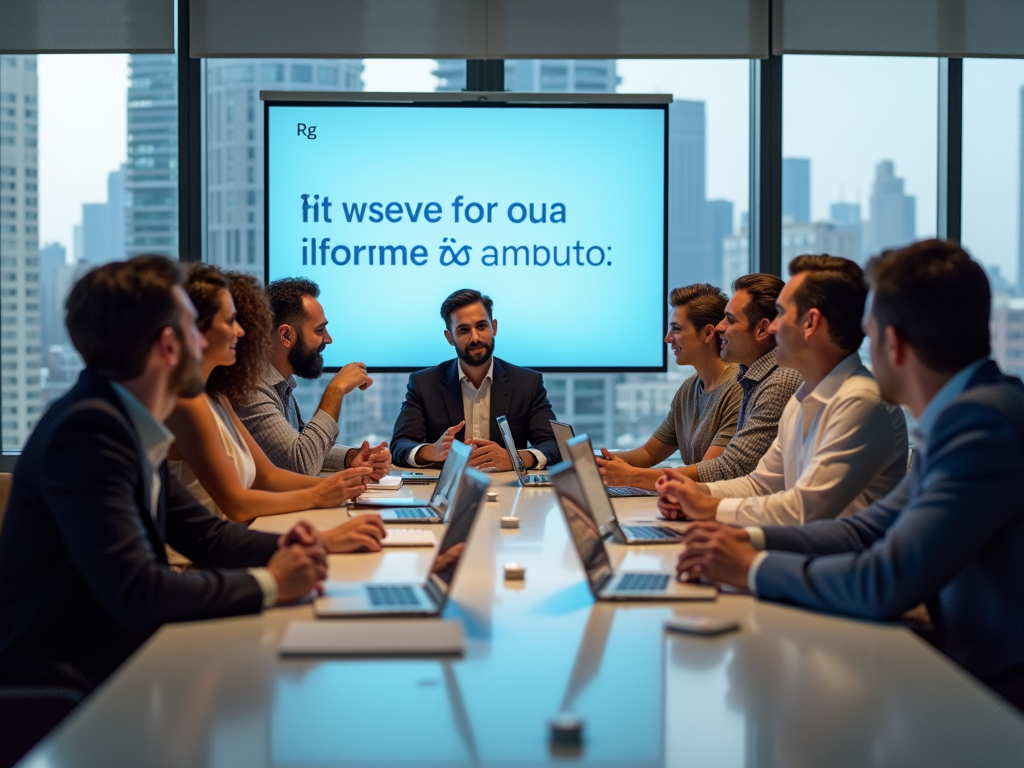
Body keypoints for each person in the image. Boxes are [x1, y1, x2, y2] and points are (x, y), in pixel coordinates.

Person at [675, 240, 1024, 710]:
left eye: (868, 330)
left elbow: (885, 579)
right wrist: (749, 544)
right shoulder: (971, 415)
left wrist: (751, 568)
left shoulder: (981, 425)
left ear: (893, 343)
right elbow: (869, 528)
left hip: (992, 694)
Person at [0, 256, 329, 692]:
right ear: (169, 345)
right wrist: (273, 581)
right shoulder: (89, 432)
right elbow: (138, 593)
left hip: (113, 660)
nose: (233, 336)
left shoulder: (125, 418)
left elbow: (204, 535)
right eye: (196, 325)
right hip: (64, 689)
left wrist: (292, 548)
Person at [657, 255, 908, 527]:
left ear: (810, 324)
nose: (773, 327)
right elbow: (759, 485)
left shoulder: (861, 401)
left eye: (782, 313)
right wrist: (695, 493)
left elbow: (803, 509)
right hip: (807, 553)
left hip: (836, 562)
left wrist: (708, 506)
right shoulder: (802, 398)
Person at [166, 266, 386, 553]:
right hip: (204, 559)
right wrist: (321, 494)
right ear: (198, 329)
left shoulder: (217, 395)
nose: (242, 332)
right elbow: (239, 502)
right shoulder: (192, 400)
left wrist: (344, 473)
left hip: (236, 544)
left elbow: (268, 475)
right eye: (231, 321)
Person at [234, 277, 392, 479]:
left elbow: (303, 443)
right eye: (319, 330)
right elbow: (301, 463)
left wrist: (351, 456)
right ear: (286, 335)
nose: (328, 338)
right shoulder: (251, 389)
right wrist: (336, 389)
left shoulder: (279, 384)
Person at [390, 288, 559, 470]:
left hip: (510, 491)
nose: (475, 338)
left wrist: (514, 458)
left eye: (481, 326)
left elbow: (554, 445)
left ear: (494, 327)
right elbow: (400, 445)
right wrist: (431, 451)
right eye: (463, 330)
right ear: (450, 337)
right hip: (447, 493)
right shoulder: (424, 383)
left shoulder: (527, 383)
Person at [596, 284, 743, 492]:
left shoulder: (738, 388)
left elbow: (707, 473)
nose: (667, 338)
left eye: (677, 329)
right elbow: (649, 453)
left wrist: (631, 476)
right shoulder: (690, 387)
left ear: (708, 332)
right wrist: (602, 461)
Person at [670, 274, 803, 482]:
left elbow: (730, 470)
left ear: (761, 329)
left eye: (730, 320)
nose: (719, 327)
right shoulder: (751, 378)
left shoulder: (780, 381)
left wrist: (635, 477)